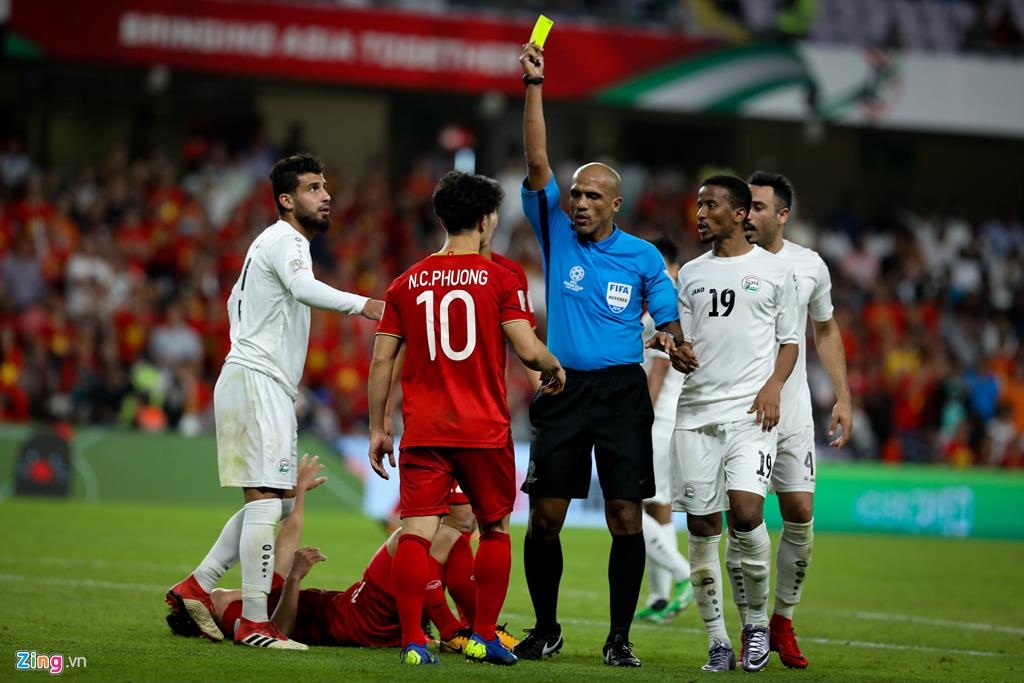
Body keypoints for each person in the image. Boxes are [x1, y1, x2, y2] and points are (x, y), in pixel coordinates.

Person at [516, 41, 693, 668]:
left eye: (593, 196)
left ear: (616, 204)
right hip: (564, 389)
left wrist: (672, 338)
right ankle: (546, 629)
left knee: (625, 516)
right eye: (576, 194)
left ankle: (619, 638)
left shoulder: (643, 256)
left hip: (621, 394)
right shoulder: (555, 232)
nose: (581, 203)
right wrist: (535, 86)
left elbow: (667, 317)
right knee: (545, 518)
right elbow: (536, 158)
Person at [165, 154, 384, 650]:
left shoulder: (267, 244)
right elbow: (302, 288)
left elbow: (235, 302)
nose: (326, 195)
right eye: (313, 188)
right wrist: (365, 305)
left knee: (279, 501)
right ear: (286, 200)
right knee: (265, 500)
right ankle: (254, 622)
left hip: (260, 379)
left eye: (325, 186)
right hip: (258, 380)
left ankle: (198, 584)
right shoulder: (287, 239)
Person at [367, 170, 566, 666]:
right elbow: (527, 350)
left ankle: (413, 641)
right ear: (485, 220)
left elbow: (381, 361)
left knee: (416, 534)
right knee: (494, 529)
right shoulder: (502, 277)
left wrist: (377, 427)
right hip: (483, 429)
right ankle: (483, 636)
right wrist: (553, 365)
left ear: (442, 218)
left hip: (425, 429)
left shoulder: (405, 282)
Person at [166, 456, 518, 651]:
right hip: (351, 621)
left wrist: (298, 494)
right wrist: (294, 580)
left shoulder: (241, 599)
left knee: (442, 533)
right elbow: (277, 630)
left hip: (349, 610)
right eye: (200, 600)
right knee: (413, 537)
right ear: (202, 618)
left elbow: (285, 544)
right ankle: (456, 629)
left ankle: (469, 628)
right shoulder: (232, 615)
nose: (208, 594)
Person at [670, 175, 800, 673]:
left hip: (750, 415)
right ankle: (718, 641)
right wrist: (675, 350)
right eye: (698, 205)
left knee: (746, 513)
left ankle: (757, 627)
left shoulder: (774, 271)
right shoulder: (691, 274)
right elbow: (683, 338)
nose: (700, 214)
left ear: (741, 213)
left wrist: (774, 387)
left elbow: (789, 342)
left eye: (710, 205)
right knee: (702, 526)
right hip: (695, 414)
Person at [724, 171, 853, 668]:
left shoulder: (809, 265)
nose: (748, 214)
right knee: (743, 517)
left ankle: (782, 621)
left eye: (758, 207)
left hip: (793, 410)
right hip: (739, 413)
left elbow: (825, 329)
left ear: (782, 215)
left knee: (799, 510)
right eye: (745, 204)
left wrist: (842, 396)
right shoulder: (724, 261)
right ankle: (751, 626)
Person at [635, 237, 693, 625]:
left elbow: (656, 372)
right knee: (659, 507)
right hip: (672, 421)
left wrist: (640, 420)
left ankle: (684, 574)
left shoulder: (661, 309)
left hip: (655, 422)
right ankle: (660, 598)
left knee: (625, 503)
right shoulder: (683, 307)